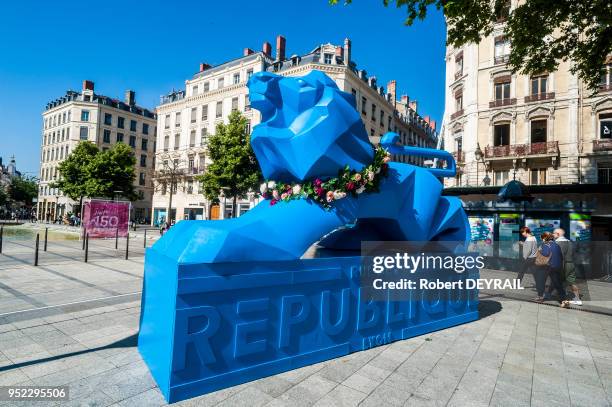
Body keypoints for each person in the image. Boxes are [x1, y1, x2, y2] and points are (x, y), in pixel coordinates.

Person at [535, 232, 568, 307]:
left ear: (545, 238)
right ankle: (563, 300)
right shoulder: (557, 245)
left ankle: (540, 297)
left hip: (548, 266)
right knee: (557, 283)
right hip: (557, 266)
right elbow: (561, 256)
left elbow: (546, 254)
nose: (542, 239)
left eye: (542, 238)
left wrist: (540, 250)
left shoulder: (545, 245)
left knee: (540, 280)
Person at [554, 228, 582, 306]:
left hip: (564, 264)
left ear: (558, 234)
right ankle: (577, 299)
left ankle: (562, 297)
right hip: (571, 263)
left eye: (554, 233)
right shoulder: (569, 242)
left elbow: (560, 255)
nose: (553, 235)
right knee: (572, 282)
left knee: (559, 279)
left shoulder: (558, 242)